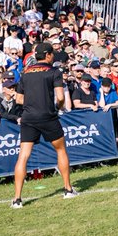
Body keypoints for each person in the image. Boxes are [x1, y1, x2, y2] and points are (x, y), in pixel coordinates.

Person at [11, 42, 77, 208]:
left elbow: (19, 99)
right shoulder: (54, 71)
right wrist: (58, 108)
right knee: (60, 150)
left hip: (28, 118)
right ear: (47, 55)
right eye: (52, 53)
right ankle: (68, 190)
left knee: (23, 156)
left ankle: (17, 199)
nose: (54, 56)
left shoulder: (25, 73)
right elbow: (61, 98)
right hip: (47, 116)